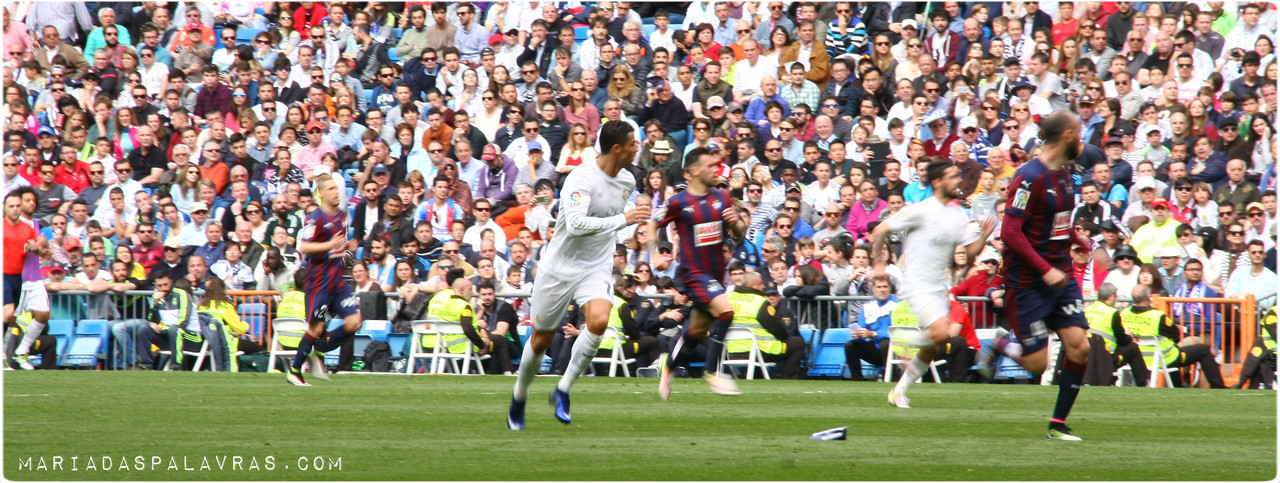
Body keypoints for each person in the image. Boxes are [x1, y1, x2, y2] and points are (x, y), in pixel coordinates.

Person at [508, 121, 648, 430]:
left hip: (595, 266)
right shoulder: (581, 177)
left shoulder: (626, 181)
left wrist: (634, 225)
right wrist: (622, 219)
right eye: (632, 144)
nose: (637, 148)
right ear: (616, 149)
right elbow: (574, 224)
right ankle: (519, 396)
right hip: (558, 268)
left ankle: (563, 389)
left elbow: (614, 224)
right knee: (541, 339)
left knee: (599, 321)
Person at [978, 112, 1095, 441]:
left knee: (1079, 347)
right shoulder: (1029, 176)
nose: (1083, 142)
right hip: (1029, 280)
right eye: (1080, 135)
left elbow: (1055, 219)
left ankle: (1057, 424)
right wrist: (1044, 270)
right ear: (1068, 135)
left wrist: (1075, 237)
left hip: (1061, 273)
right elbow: (1010, 231)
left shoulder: (1066, 174)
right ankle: (1001, 344)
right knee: (1036, 366)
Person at [869, 158, 995, 407]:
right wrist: (877, 263)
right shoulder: (921, 209)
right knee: (940, 333)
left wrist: (985, 235)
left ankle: (899, 391)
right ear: (938, 182)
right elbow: (881, 229)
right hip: (917, 285)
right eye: (952, 176)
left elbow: (970, 253)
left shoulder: (957, 214)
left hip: (939, 287)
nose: (958, 180)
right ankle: (903, 341)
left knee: (935, 345)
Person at [648, 146, 748, 400]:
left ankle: (668, 366)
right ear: (693, 172)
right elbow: (652, 223)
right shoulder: (678, 203)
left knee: (697, 331)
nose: (717, 170)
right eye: (711, 166)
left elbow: (738, 235)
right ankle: (712, 372)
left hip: (715, 275)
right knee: (726, 311)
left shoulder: (722, 199)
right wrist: (653, 253)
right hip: (693, 273)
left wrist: (736, 223)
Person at [287, 174, 363, 386]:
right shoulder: (316, 218)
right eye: (330, 188)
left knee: (355, 321)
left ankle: (320, 348)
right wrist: (330, 245)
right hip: (318, 282)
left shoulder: (341, 217)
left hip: (337, 280)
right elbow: (305, 247)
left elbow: (338, 248)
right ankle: (294, 370)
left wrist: (347, 247)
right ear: (320, 193)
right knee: (316, 328)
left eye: (336, 188)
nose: (335, 191)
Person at [1119, 285, 1225, 388]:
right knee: (1203, 350)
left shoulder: (1124, 313)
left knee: (1173, 350)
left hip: (1134, 359)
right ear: (1148, 297)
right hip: (1163, 358)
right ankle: (1218, 386)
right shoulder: (1157, 316)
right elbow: (1175, 333)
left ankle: (1178, 386)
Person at [3, 190, 50, 370]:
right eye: (26, 200)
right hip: (17, 277)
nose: (30, 203)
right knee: (10, 318)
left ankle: (21, 351)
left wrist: (39, 247)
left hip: (35, 278)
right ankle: (5, 356)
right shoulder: (11, 225)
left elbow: (39, 251)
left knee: (43, 314)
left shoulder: (33, 225)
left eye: (33, 200)